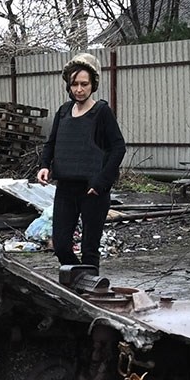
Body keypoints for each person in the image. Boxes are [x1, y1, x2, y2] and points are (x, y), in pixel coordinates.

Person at [37, 53, 127, 276]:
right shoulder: (64, 111)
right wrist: (44, 165)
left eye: (84, 84)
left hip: (92, 190)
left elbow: (118, 148)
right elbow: (52, 143)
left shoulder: (102, 113)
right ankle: (79, 280)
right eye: (74, 84)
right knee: (61, 245)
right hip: (66, 188)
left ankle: (91, 293)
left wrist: (101, 181)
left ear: (93, 85)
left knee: (89, 249)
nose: (79, 89)